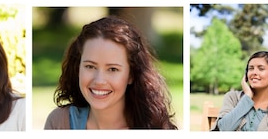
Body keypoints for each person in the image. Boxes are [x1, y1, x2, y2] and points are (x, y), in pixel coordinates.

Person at [44, 16, 176, 130]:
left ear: (131, 75)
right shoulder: (60, 123)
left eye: (113, 69)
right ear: (78, 68)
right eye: (90, 66)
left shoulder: (155, 129)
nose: (99, 80)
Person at [213, 51, 268, 131]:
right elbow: (223, 129)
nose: (254, 72)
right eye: (251, 68)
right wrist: (247, 97)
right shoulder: (232, 98)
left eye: (261, 69)